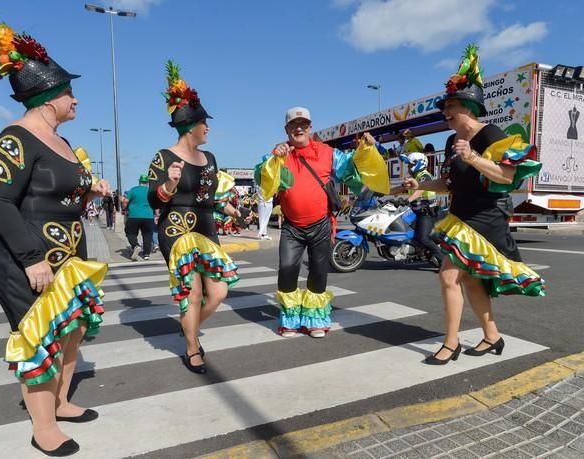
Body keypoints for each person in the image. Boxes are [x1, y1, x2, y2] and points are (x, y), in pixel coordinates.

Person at [0, 1, 111, 455]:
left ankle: (61, 402)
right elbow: (0, 201)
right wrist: (31, 260)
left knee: (69, 331)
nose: (76, 100)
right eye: (70, 93)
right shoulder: (16, 136)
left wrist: (91, 195)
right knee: (39, 338)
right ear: (50, 96)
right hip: (22, 257)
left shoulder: (63, 141)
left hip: (65, 255)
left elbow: (65, 202)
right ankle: (42, 426)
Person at [402, 44, 545, 365]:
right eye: (445, 107)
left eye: (452, 105)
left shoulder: (491, 135)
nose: (446, 112)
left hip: (486, 215)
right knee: (469, 279)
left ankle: (450, 343)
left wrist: (474, 157)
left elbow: (506, 177)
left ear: (470, 107)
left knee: (448, 276)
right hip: (460, 214)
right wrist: (420, 185)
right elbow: (449, 183)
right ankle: (492, 337)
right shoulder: (452, 141)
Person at [255, 106, 389, 338]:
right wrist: (274, 159)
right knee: (287, 270)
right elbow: (261, 177)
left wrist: (367, 147)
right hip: (292, 227)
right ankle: (290, 318)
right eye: (294, 125)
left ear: (310, 127)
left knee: (318, 271)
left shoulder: (328, 153)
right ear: (286, 129)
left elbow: (351, 166)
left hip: (320, 224)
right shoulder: (278, 155)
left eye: (303, 124)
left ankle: (315, 319)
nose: (299, 128)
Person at [147, 61, 240, 374]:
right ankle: (192, 347)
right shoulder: (164, 157)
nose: (209, 128)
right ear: (190, 125)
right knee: (194, 292)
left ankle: (189, 324)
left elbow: (206, 196)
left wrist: (222, 207)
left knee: (219, 291)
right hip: (175, 230)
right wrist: (169, 184)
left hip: (206, 228)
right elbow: (152, 198)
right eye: (204, 123)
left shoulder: (210, 158)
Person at [390, 152, 443, 268]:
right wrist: (381, 193)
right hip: (416, 211)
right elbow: (399, 188)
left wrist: (407, 200)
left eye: (410, 164)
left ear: (418, 164)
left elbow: (420, 190)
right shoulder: (413, 178)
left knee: (423, 237)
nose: (408, 167)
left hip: (427, 212)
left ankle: (442, 261)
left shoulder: (425, 176)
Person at [122, 175, 154, 261]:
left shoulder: (133, 190)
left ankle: (135, 245)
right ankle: (146, 254)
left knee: (130, 232)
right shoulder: (150, 191)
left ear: (139, 182)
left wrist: (124, 208)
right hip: (148, 216)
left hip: (134, 216)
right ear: (147, 182)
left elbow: (125, 201)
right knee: (147, 235)